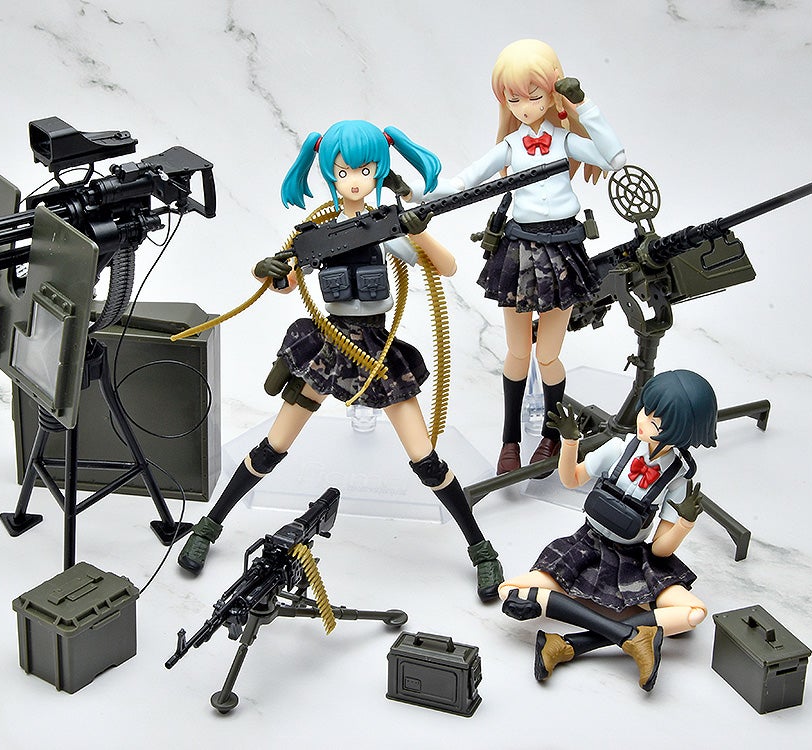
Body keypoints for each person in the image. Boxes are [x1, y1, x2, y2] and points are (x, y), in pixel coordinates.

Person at [177, 119, 505, 601]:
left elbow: (447, 267)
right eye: (345, 171)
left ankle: (481, 549)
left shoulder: (384, 227)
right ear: (331, 172)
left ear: (379, 172)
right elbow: (287, 278)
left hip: (376, 351)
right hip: (328, 347)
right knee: (273, 445)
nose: (355, 180)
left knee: (426, 459)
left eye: (366, 171)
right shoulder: (318, 233)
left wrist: (418, 231)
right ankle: (209, 526)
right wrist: (269, 270)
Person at [427, 39, 625, 475]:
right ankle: (510, 439)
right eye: (512, 99)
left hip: (564, 249)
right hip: (518, 252)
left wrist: (583, 104)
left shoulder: (565, 140)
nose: (523, 107)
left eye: (533, 96)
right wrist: (417, 194)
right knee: (517, 352)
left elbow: (615, 157)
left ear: (552, 94)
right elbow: (464, 181)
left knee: (548, 355)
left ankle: (552, 434)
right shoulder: (511, 147)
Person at [497, 370, 717, 690]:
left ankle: (568, 644)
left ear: (683, 432)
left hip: (633, 559)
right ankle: (629, 636)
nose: (643, 422)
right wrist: (570, 442)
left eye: (656, 423)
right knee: (510, 592)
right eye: (646, 411)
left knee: (693, 612)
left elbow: (660, 549)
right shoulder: (618, 449)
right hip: (587, 546)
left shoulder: (677, 478)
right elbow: (572, 479)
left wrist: (685, 523)